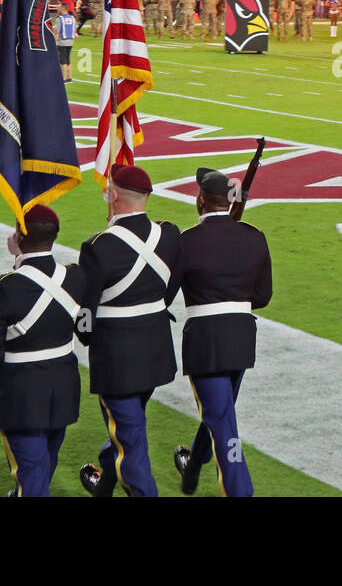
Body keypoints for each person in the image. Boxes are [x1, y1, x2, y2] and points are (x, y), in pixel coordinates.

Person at [77, 164, 180, 497]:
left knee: (131, 440)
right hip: (155, 352)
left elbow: (85, 317)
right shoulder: (169, 234)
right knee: (129, 426)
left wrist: (86, 336)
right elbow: (169, 288)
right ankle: (105, 482)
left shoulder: (98, 247)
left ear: (115, 195)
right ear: (147, 197)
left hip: (116, 360)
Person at [172, 169, 273, 498]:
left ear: (200, 200)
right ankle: (193, 468)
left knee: (224, 424)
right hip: (241, 339)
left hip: (205, 342)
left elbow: (166, 291)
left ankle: (240, 491)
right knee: (220, 411)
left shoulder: (185, 241)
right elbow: (262, 296)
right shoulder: (254, 236)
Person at [0, 205, 83, 497]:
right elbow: (86, 329)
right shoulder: (75, 277)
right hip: (63, 385)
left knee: (33, 473)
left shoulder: (4, 287)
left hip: (22, 392)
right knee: (44, 463)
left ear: (19, 237)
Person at [52, 5, 77, 83]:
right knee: (68, 59)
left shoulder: (60, 19)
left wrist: (54, 42)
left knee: (63, 61)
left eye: (59, 8)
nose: (58, 10)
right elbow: (74, 30)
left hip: (62, 42)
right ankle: (69, 78)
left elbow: (57, 32)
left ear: (62, 9)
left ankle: (64, 79)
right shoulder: (72, 18)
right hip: (70, 41)